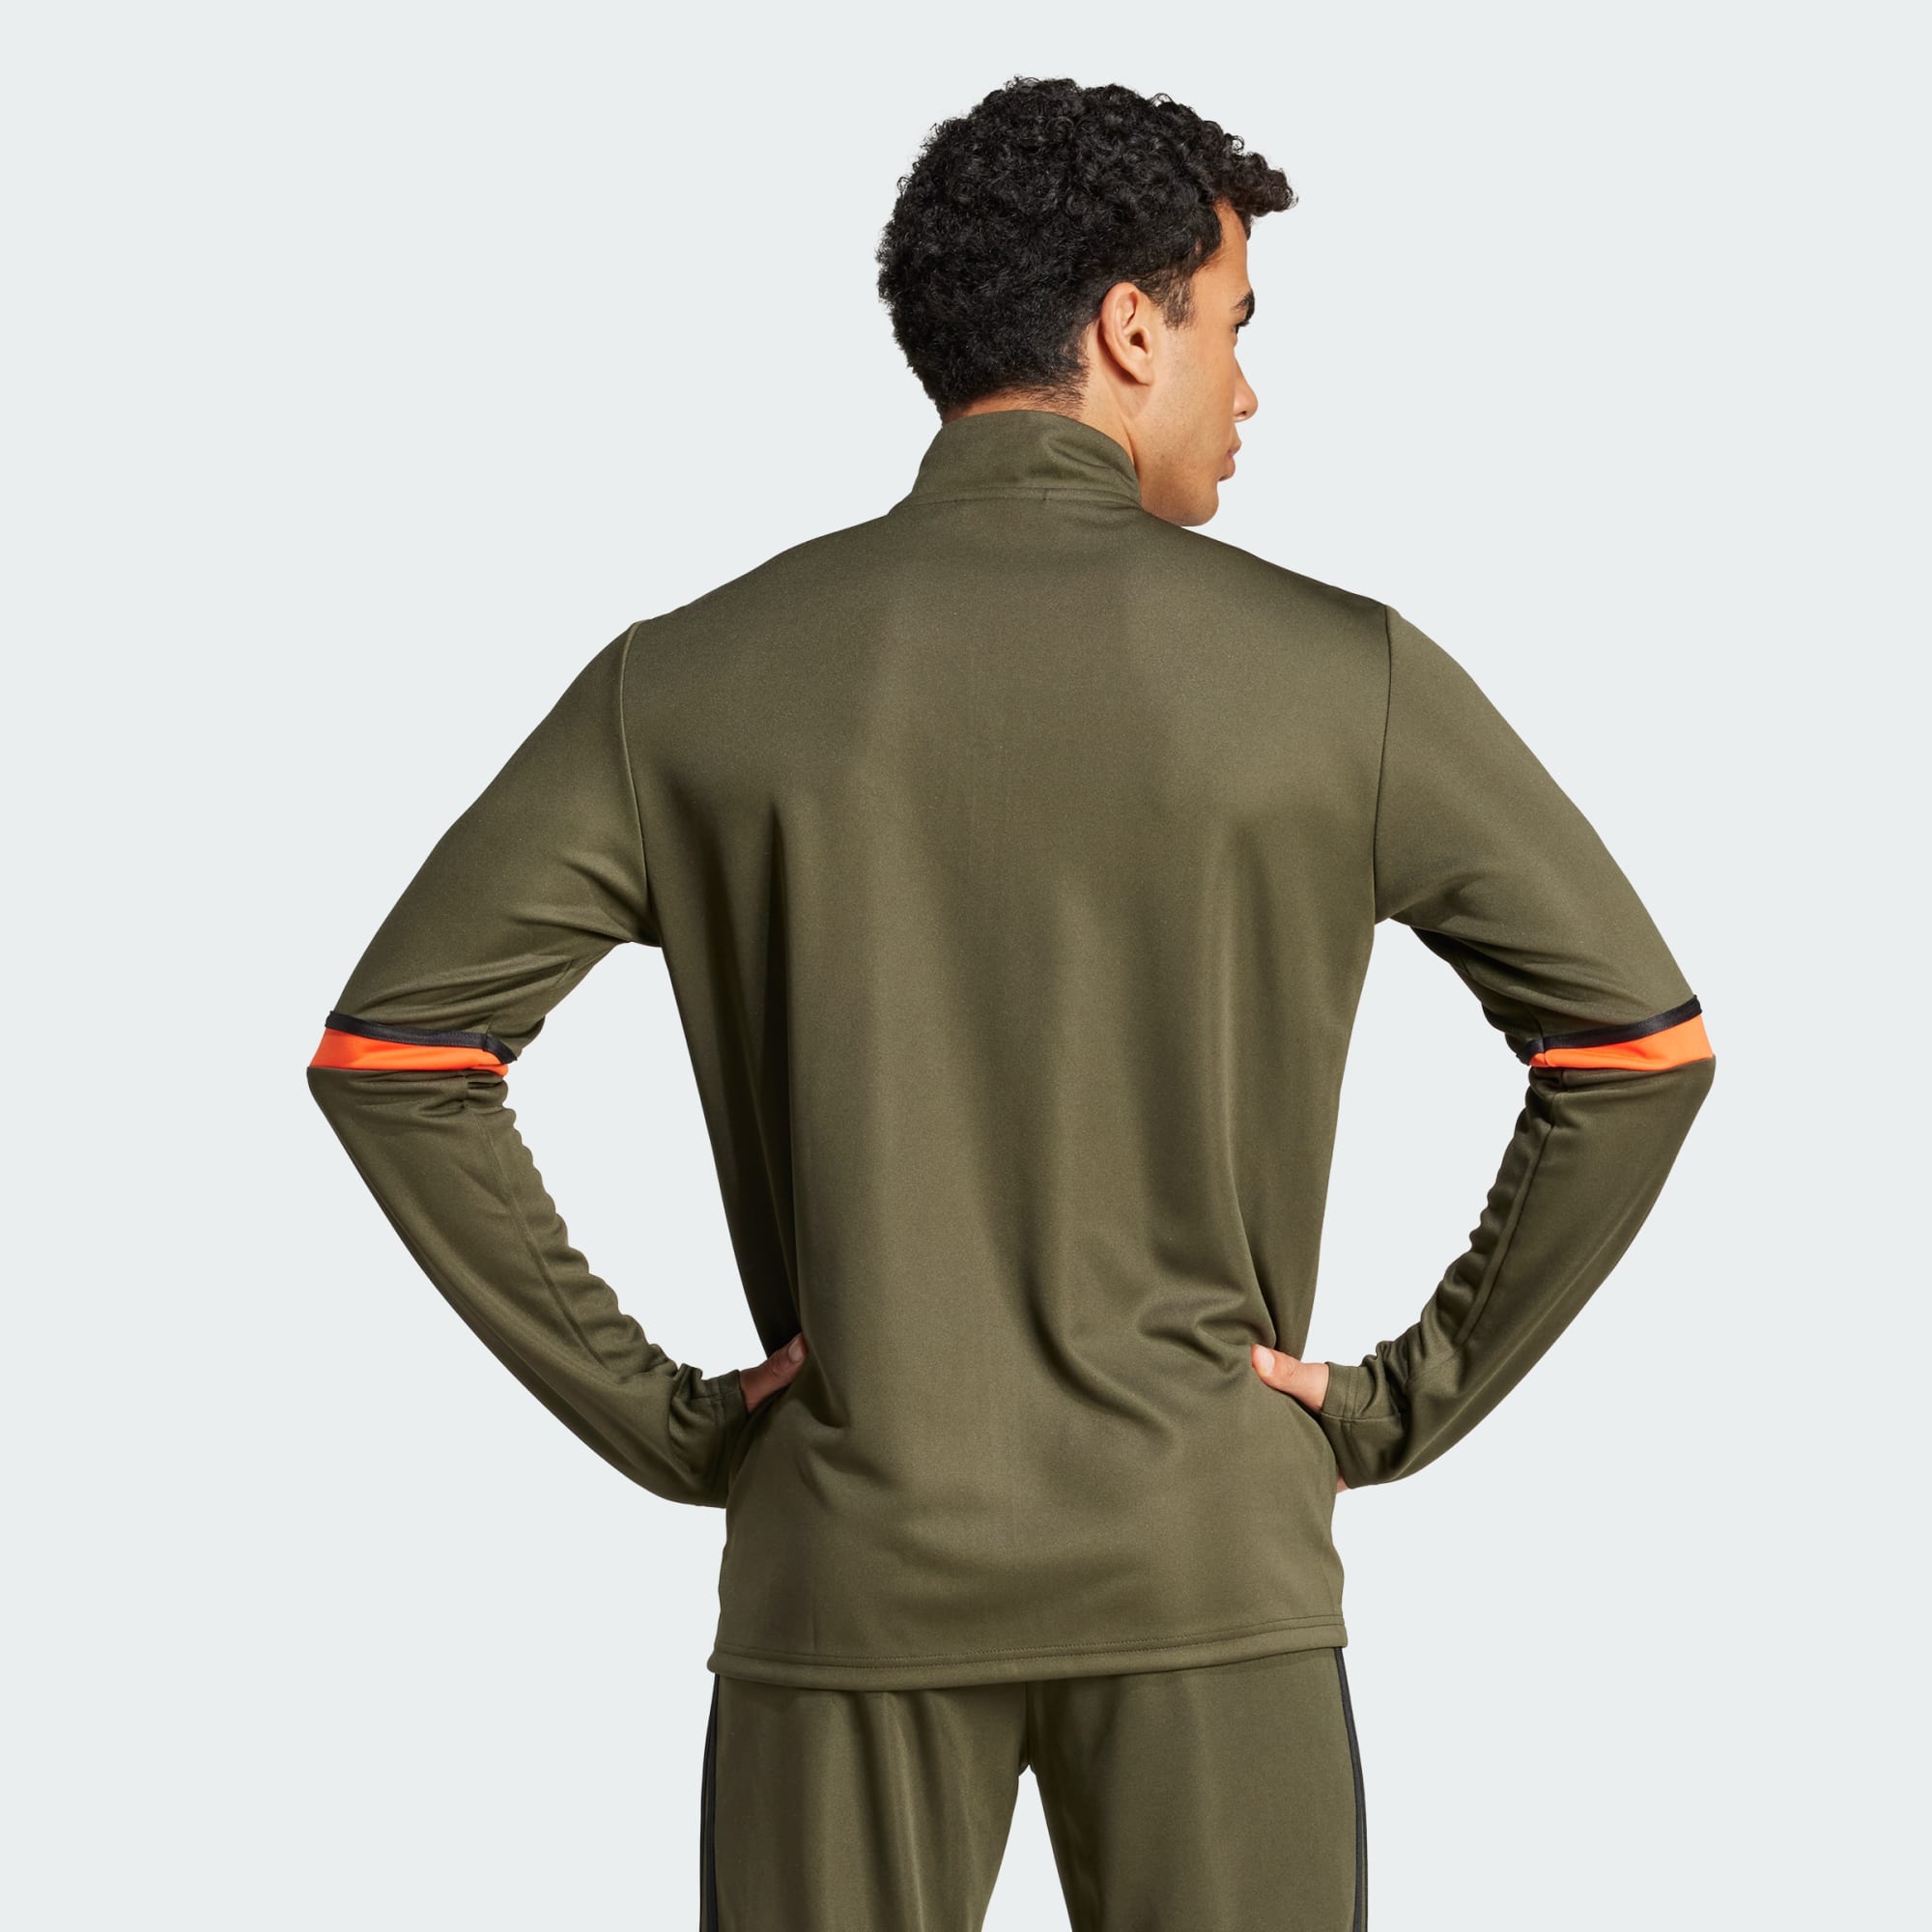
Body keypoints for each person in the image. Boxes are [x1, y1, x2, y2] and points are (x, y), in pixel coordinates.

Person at [306, 74, 1716, 1931]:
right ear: (1130, 328)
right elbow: (1635, 1047)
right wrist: (1387, 1409)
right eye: (1235, 328)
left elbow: (396, 1052)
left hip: (847, 1572)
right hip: (1208, 1563)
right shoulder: (1342, 676)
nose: (1248, 391)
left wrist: (681, 1426)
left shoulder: (690, 681)